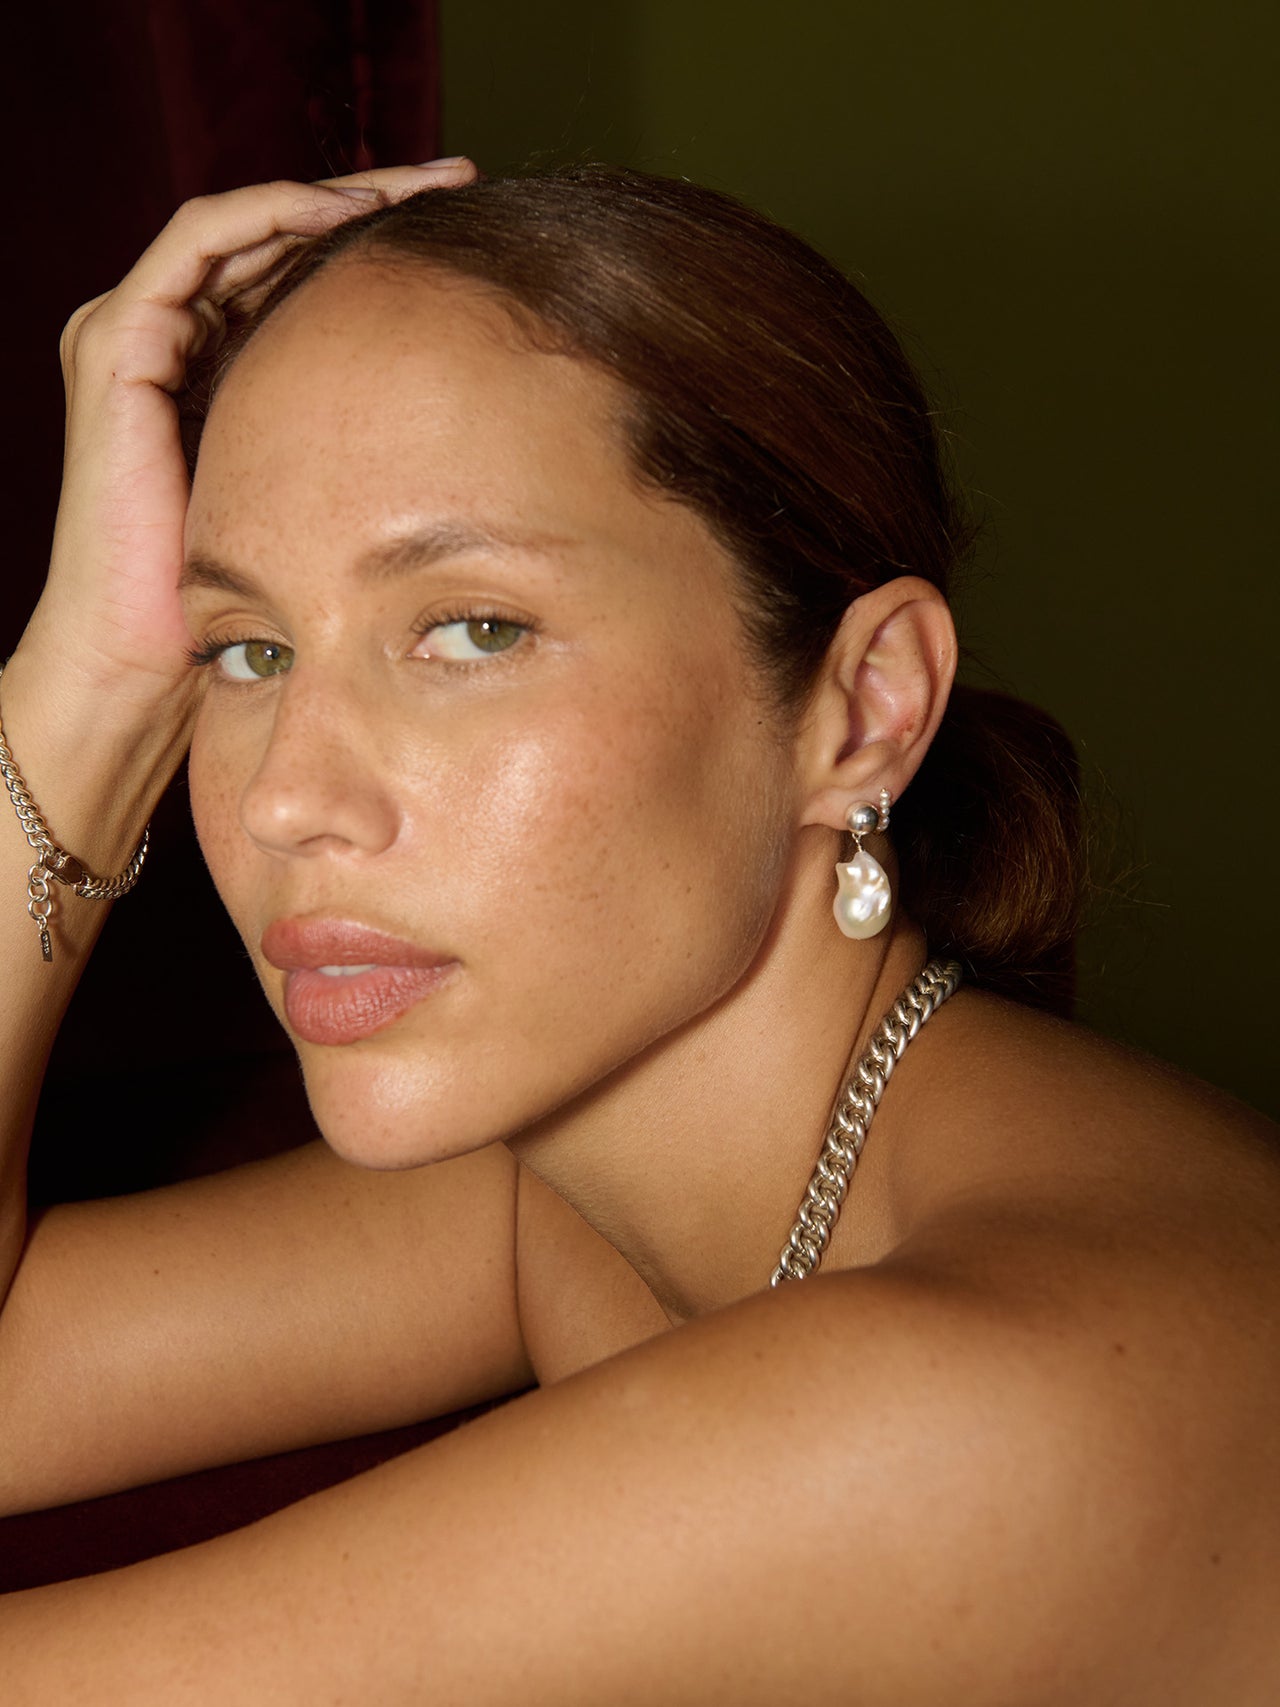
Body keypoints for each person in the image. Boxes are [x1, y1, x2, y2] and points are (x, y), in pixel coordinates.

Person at [0, 157, 1276, 1704]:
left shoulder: (965, 1402)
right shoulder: (573, 1187)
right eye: (247, 648)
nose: (284, 802)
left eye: (473, 629)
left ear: (862, 710)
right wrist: (82, 701)